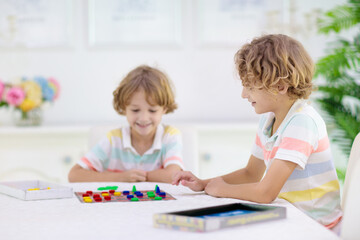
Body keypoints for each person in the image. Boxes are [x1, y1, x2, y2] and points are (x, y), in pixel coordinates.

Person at [172, 34, 342, 229]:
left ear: (280, 86)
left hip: (316, 225)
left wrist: (223, 190)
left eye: (250, 86)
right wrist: (204, 183)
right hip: (291, 216)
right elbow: (250, 173)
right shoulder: (268, 120)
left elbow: (265, 193)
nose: (244, 94)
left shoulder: (302, 123)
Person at [68, 65, 184, 183]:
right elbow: (74, 175)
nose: (143, 118)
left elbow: (174, 175)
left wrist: (140, 176)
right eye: (135, 110)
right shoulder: (113, 139)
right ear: (124, 108)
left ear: (164, 109)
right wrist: (120, 177)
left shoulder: (169, 136)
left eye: (152, 111)